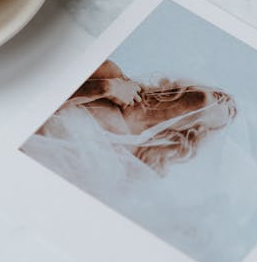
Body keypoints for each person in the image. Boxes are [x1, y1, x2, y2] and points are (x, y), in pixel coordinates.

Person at [34, 59, 236, 176]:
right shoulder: (110, 76)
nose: (223, 103)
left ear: (195, 132)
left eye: (196, 115)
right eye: (218, 97)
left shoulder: (142, 165)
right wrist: (101, 89)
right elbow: (35, 89)